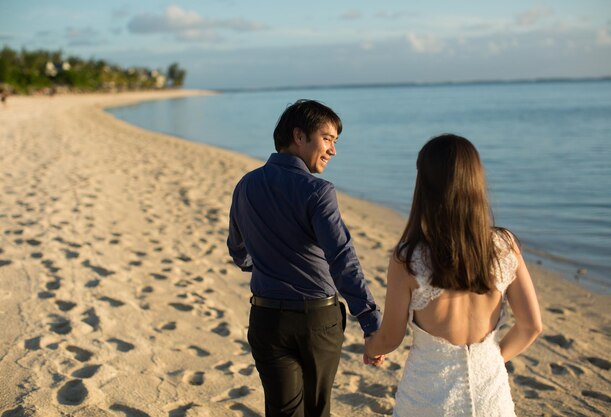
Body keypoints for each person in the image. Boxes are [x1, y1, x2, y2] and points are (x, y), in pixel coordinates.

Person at [364, 134, 542, 416]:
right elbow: (531, 326)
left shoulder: (409, 258)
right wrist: (492, 360)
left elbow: (392, 337)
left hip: (428, 396)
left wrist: (372, 347)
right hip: (490, 396)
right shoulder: (504, 246)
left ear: (425, 186)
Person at [227, 99, 383, 417]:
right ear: (299, 136)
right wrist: (369, 321)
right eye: (327, 139)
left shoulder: (245, 184)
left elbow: (238, 251)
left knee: (282, 412)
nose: (333, 151)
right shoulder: (317, 191)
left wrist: (268, 264)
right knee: (316, 411)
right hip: (316, 322)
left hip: (266, 318)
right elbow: (342, 258)